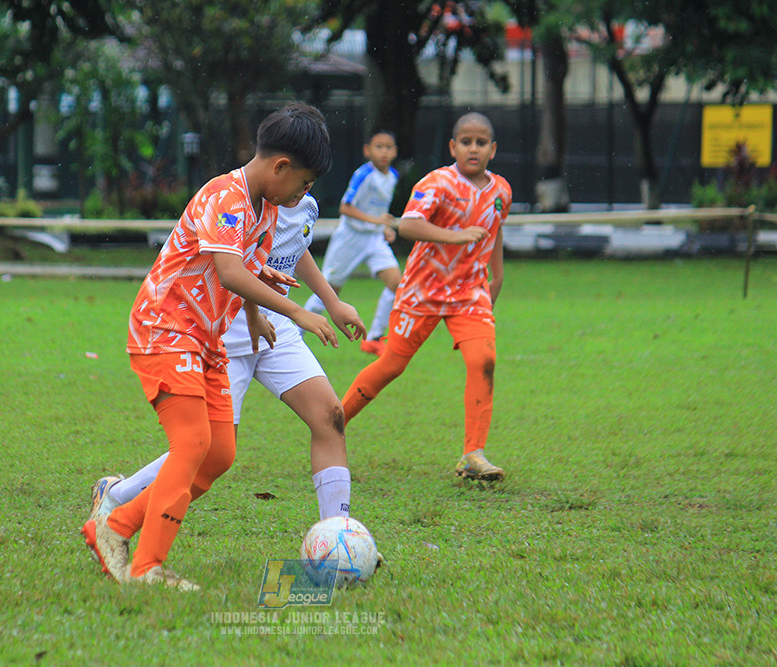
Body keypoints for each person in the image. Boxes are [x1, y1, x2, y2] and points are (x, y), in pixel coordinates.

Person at [81, 102, 345, 591]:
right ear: (280, 166)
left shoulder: (267, 208)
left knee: (219, 453)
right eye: (304, 183)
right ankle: (147, 567)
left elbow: (243, 273)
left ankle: (114, 526)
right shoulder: (226, 195)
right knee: (193, 443)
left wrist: (256, 315)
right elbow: (229, 270)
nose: (305, 194)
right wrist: (298, 312)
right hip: (165, 331)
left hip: (205, 339)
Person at [89, 195, 366, 539]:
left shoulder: (306, 202)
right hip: (227, 332)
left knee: (330, 416)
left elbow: (296, 246)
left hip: (276, 327)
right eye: (304, 177)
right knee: (209, 451)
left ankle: (337, 536)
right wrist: (256, 313)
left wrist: (333, 301)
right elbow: (236, 270)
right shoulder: (241, 201)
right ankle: (117, 497)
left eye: (312, 182)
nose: (306, 188)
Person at [340, 112, 510, 481]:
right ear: (453, 147)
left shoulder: (501, 191)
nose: (474, 148)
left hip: (469, 293)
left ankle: (473, 454)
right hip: (422, 291)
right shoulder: (438, 182)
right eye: (466, 142)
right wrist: (456, 235)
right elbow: (409, 225)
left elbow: (494, 232)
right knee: (391, 365)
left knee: (484, 359)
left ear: (492, 149)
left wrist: (497, 277)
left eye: (481, 143)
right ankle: (334, 421)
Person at [304, 129, 401, 356]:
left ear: (395, 151)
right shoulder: (363, 174)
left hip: (373, 239)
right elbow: (345, 208)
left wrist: (383, 227)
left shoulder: (393, 176)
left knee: (398, 284)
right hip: (350, 238)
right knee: (329, 291)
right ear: (367, 151)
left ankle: (375, 338)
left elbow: (377, 209)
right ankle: (295, 335)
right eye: (379, 146)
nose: (384, 151)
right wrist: (376, 220)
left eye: (389, 147)